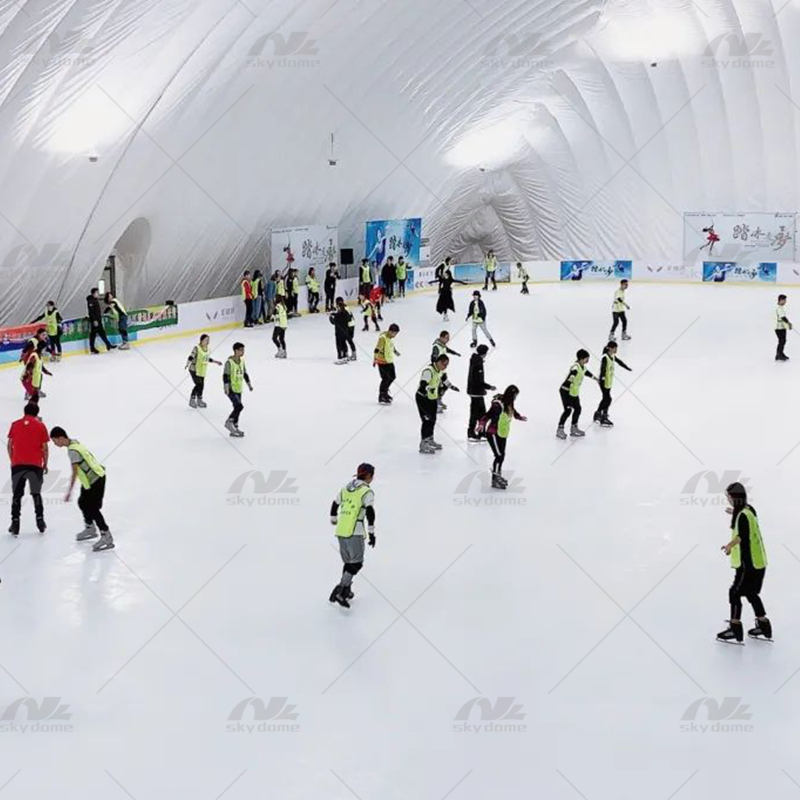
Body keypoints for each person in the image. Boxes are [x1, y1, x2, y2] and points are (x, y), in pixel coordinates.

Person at [717, 482, 772, 644]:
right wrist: (734, 512)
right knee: (751, 593)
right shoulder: (749, 510)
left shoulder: (742, 516)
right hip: (758, 562)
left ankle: (735, 629)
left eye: (728, 496)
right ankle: (764, 626)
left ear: (734, 497)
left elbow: (742, 536)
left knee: (734, 593)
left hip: (747, 564)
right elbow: (747, 525)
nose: (727, 499)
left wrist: (728, 546)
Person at [50, 426, 114, 551]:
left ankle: (106, 535)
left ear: (61, 438)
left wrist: (69, 491)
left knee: (93, 508)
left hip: (96, 479)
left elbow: (74, 472)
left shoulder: (72, 451)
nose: (54, 443)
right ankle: (90, 528)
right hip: (90, 481)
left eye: (55, 440)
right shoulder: (75, 443)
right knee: (82, 502)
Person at [329, 463, 376, 609]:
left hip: (341, 530)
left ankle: (347, 590)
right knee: (357, 563)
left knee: (349, 562)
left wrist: (334, 519)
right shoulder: (366, 491)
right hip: (355, 530)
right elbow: (369, 512)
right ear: (368, 476)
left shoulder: (345, 489)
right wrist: (372, 532)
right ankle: (341, 590)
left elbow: (335, 504)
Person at [7, 402, 49, 535]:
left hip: (17, 464)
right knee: (36, 493)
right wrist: (45, 463)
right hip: (35, 464)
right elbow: (45, 448)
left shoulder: (15, 424)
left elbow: (9, 445)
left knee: (17, 494)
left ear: (24, 412)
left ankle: (15, 523)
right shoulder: (41, 426)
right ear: (37, 413)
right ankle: (40, 520)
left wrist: (13, 460)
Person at [482, 386, 527, 490]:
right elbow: (487, 415)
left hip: (502, 433)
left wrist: (518, 416)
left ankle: (497, 475)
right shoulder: (498, 404)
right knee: (499, 456)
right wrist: (481, 424)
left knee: (501, 455)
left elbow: (512, 411)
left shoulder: (509, 402)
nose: (515, 397)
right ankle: (495, 479)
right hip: (493, 433)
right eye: (515, 395)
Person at [416, 354, 459, 454]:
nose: (445, 367)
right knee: (426, 420)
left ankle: (430, 439)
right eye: (444, 364)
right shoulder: (428, 370)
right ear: (439, 362)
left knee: (433, 419)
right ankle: (423, 444)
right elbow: (423, 385)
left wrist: (452, 387)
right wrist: (427, 389)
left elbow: (444, 379)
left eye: (447, 365)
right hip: (423, 398)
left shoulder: (440, 370)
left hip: (432, 398)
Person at [557, 349, 597, 439]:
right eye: (586, 358)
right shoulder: (575, 367)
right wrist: (570, 381)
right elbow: (571, 376)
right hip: (566, 391)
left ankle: (574, 428)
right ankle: (560, 429)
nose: (588, 360)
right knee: (568, 411)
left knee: (578, 409)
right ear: (581, 359)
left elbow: (586, 373)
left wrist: (596, 379)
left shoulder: (582, 367)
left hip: (574, 392)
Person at [594, 341, 632, 427]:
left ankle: (598, 414)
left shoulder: (612, 356)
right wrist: (602, 380)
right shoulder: (605, 357)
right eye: (615, 348)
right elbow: (603, 369)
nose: (616, 349)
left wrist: (627, 368)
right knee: (608, 399)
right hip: (603, 382)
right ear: (610, 348)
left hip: (609, 381)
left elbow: (620, 362)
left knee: (605, 399)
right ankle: (603, 417)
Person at [223, 343, 253, 437]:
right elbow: (225, 376)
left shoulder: (242, 361)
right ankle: (229, 422)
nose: (242, 352)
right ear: (235, 350)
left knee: (237, 408)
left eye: (243, 350)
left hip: (238, 388)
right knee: (239, 406)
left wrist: (249, 385)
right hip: (231, 389)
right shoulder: (229, 362)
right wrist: (226, 387)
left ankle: (234, 427)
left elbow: (244, 374)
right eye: (241, 350)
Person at [185, 334, 222, 408]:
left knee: (201, 386)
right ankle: (192, 400)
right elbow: (191, 356)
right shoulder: (197, 348)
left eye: (208, 340)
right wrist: (187, 363)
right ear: (201, 340)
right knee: (198, 385)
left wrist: (216, 362)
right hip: (194, 369)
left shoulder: (207, 349)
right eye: (206, 340)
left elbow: (207, 358)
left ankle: (199, 400)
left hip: (202, 370)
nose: (207, 341)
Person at [467, 344, 495, 441]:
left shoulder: (476, 360)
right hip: (476, 392)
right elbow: (478, 381)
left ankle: (481, 432)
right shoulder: (478, 363)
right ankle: (471, 432)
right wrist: (489, 387)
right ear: (484, 353)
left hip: (476, 391)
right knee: (476, 413)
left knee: (481, 413)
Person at [431, 331, 460, 411]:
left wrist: (455, 353)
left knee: (445, 385)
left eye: (448, 338)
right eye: (446, 338)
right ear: (441, 337)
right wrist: (436, 367)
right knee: (436, 387)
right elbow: (433, 357)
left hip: (443, 370)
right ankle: (434, 406)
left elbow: (447, 350)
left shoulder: (442, 345)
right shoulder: (436, 346)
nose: (448, 339)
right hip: (438, 370)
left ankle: (438, 399)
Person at [373, 324, 401, 404]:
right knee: (385, 378)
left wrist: (395, 352)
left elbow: (391, 345)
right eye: (395, 333)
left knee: (392, 376)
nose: (395, 335)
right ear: (390, 331)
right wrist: (375, 358)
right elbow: (377, 348)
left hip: (389, 360)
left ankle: (385, 391)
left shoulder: (390, 338)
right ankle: (382, 395)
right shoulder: (383, 338)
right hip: (382, 361)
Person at [87, 287, 116, 353]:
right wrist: (94, 320)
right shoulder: (90, 301)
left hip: (98, 319)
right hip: (95, 321)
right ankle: (93, 348)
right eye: (97, 293)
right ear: (93, 293)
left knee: (101, 332)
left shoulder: (95, 300)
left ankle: (108, 344)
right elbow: (91, 312)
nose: (98, 294)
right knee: (94, 334)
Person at [330, 297, 357, 364]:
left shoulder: (344, 308)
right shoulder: (345, 307)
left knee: (345, 340)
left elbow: (344, 317)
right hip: (351, 325)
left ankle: (347, 355)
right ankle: (349, 354)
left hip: (348, 326)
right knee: (347, 340)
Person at [775, 293, 792, 361]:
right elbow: (783, 317)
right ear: (781, 300)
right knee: (782, 341)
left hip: (782, 327)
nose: (785, 302)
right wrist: (788, 323)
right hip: (779, 327)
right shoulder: (778, 308)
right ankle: (779, 354)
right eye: (784, 300)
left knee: (782, 341)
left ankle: (780, 354)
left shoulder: (780, 308)